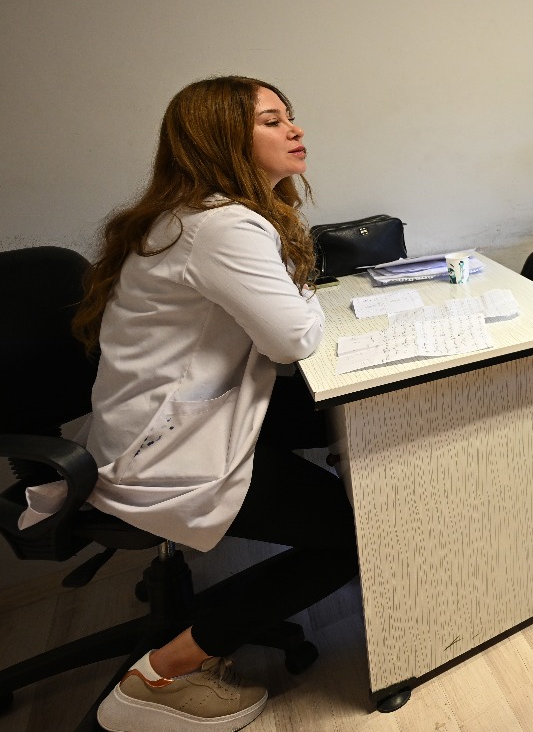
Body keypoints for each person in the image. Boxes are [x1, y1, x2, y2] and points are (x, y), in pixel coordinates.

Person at [71, 77, 358, 732]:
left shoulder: (191, 215)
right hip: (168, 451)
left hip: (159, 423)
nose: (295, 130)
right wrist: (303, 293)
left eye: (290, 117)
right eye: (271, 121)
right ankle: (161, 675)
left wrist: (297, 295)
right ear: (221, 139)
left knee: (332, 415)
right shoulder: (224, 226)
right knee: (349, 537)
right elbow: (293, 339)